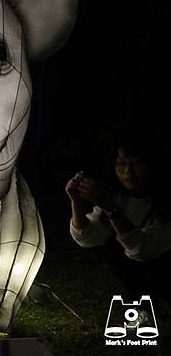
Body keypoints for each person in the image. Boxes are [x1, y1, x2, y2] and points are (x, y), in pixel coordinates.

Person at [65, 126, 171, 333]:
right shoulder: (118, 195)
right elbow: (89, 237)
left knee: (128, 248)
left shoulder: (163, 201)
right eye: (121, 164)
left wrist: (111, 209)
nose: (127, 172)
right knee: (114, 248)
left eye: (136, 164)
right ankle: (148, 309)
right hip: (145, 268)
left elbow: (145, 249)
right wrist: (76, 202)